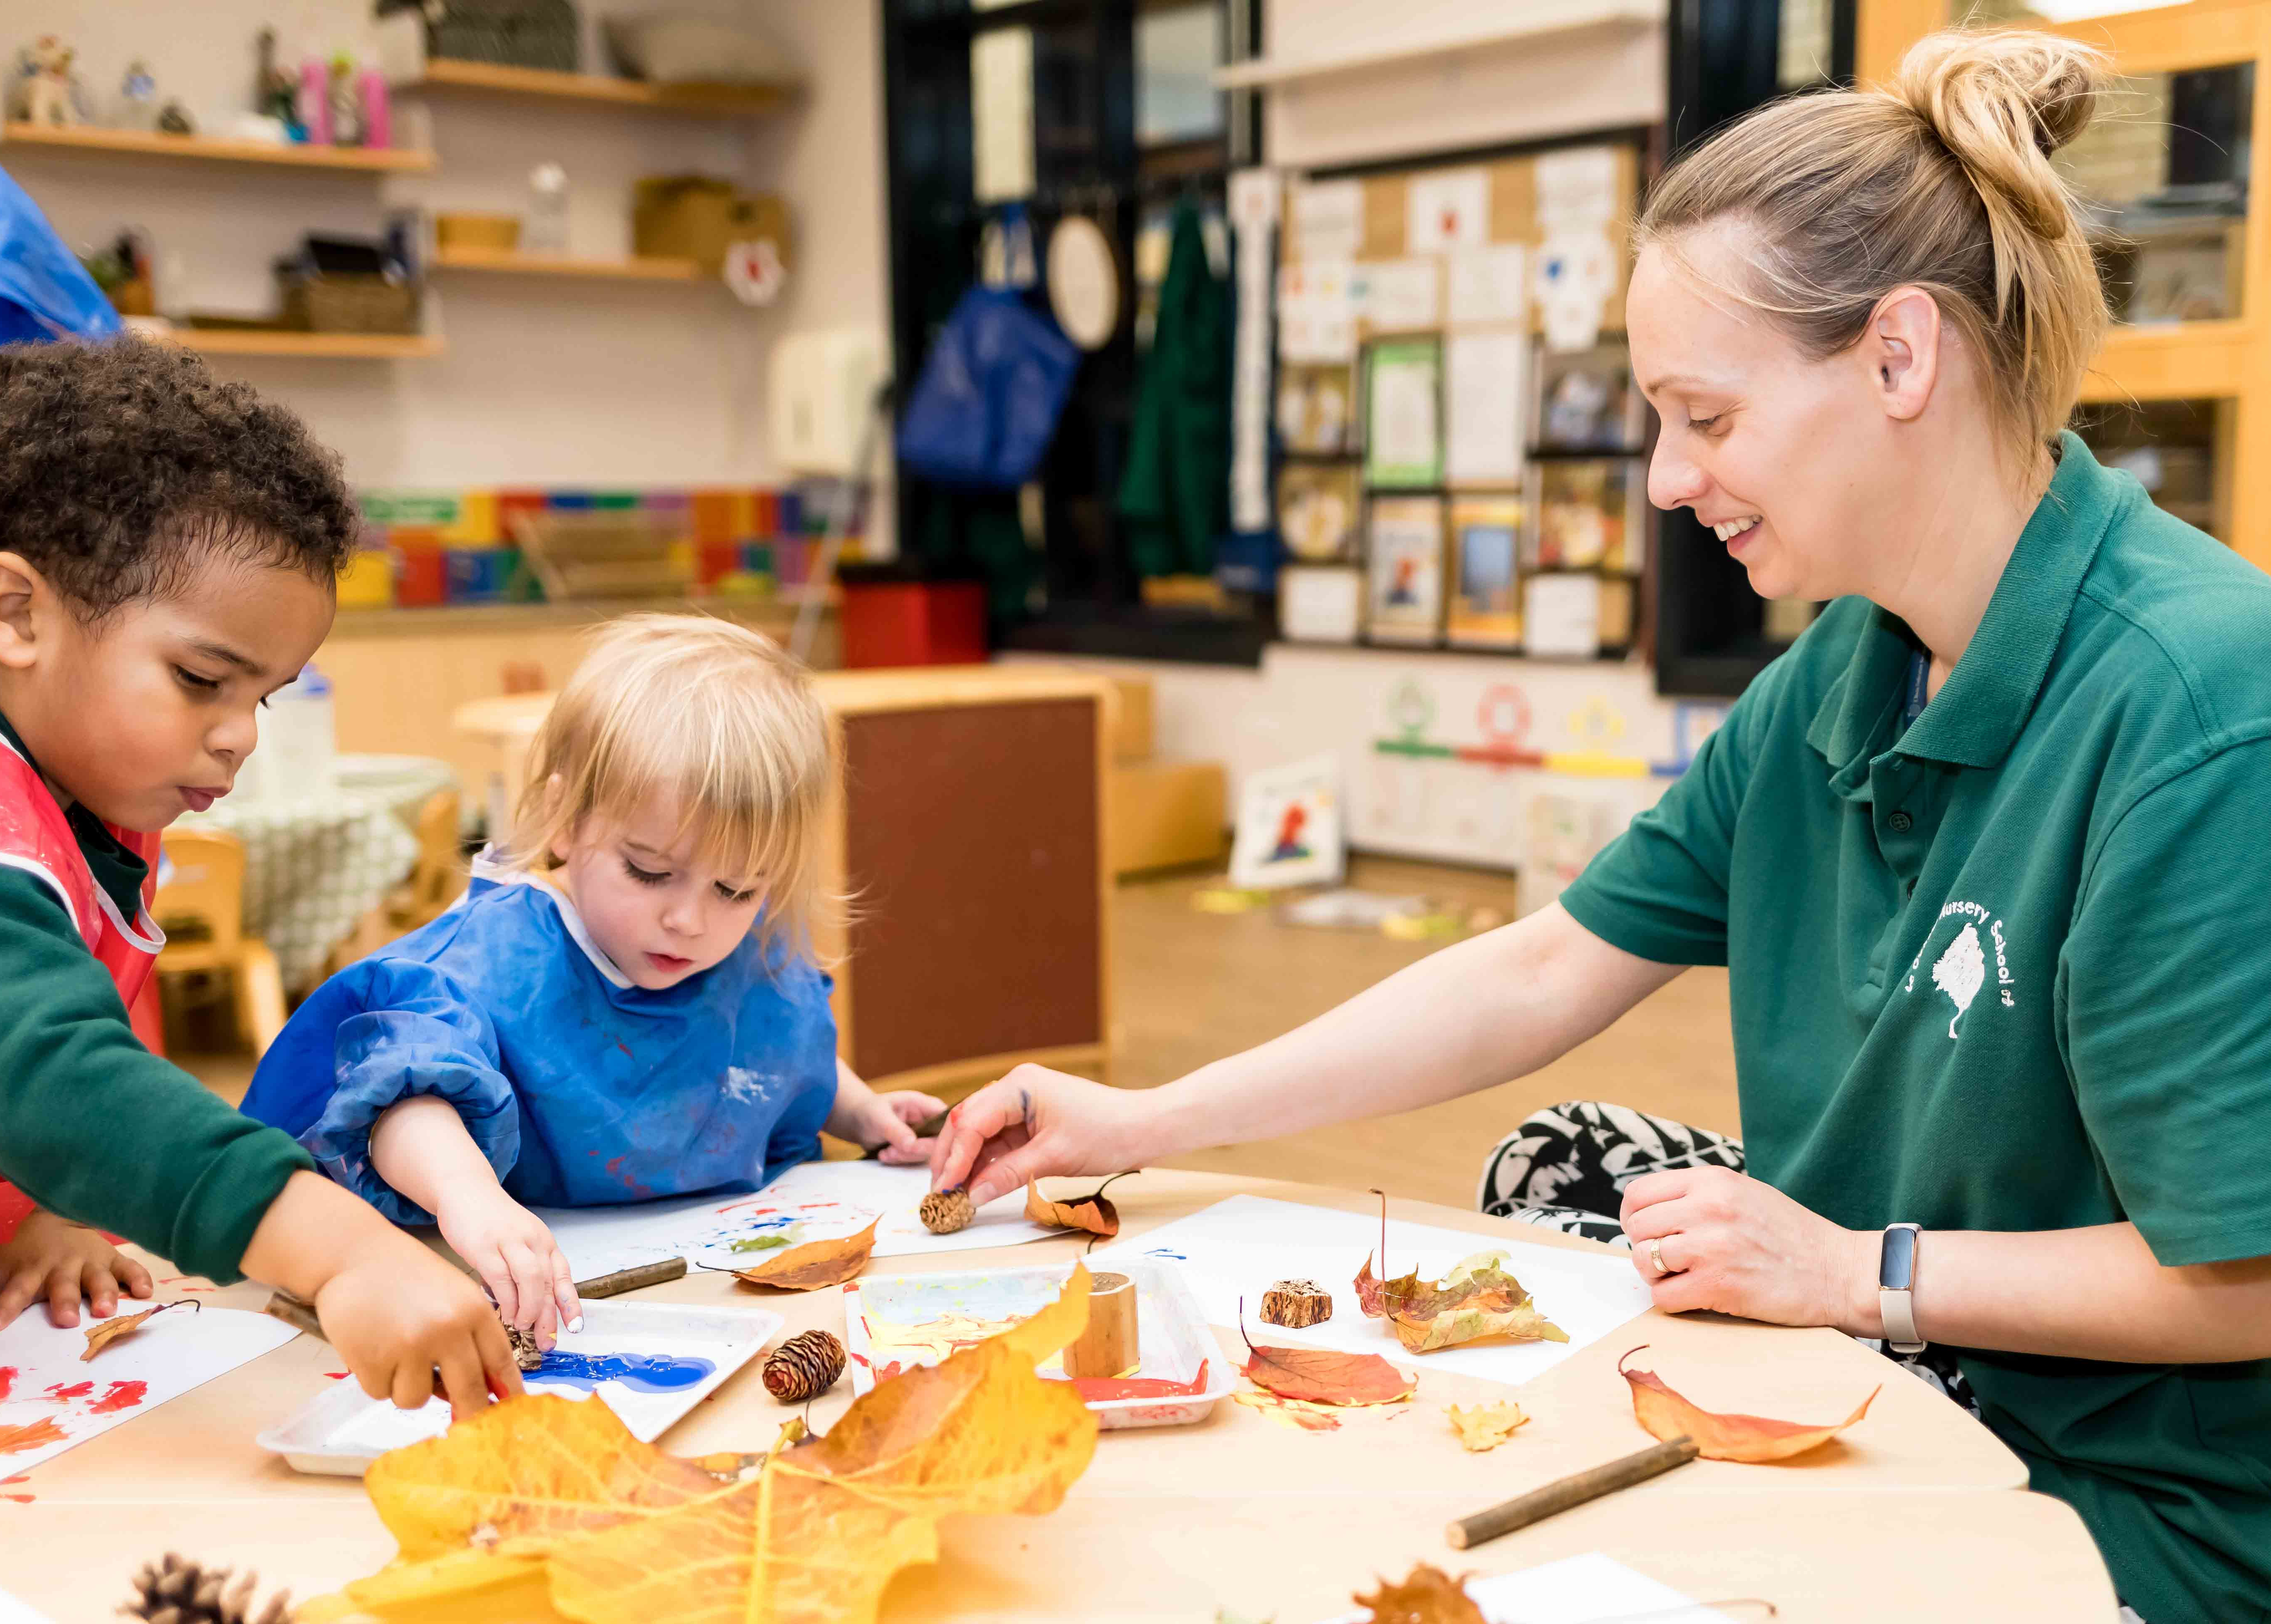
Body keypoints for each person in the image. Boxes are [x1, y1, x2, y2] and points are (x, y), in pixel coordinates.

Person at [931, 30, 2271, 1624]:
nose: (1660, 477)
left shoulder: (2198, 706)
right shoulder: (1844, 668)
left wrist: (1859, 1271)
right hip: (1875, 1384)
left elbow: (2239, 1276)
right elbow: (1540, 972)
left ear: (1900, 357)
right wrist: (1148, 1117)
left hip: (2118, 1501)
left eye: (1702, 415)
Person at [0, 335, 519, 1418]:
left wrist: (36, 1204)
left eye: (266, 695)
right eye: (202, 679)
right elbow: (45, 1069)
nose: (239, 737)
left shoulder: (69, 794)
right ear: (15, 613)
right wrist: (343, 1253)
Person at [243, 615, 943, 1350]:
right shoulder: (490, 960)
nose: (689, 920)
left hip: (722, 1283)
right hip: (531, 1293)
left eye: (737, 888)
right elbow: (402, 1092)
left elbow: (768, 1045)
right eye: (648, 871)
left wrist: (862, 1113)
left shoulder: (737, 947)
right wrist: (469, 1199)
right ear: (566, 821)